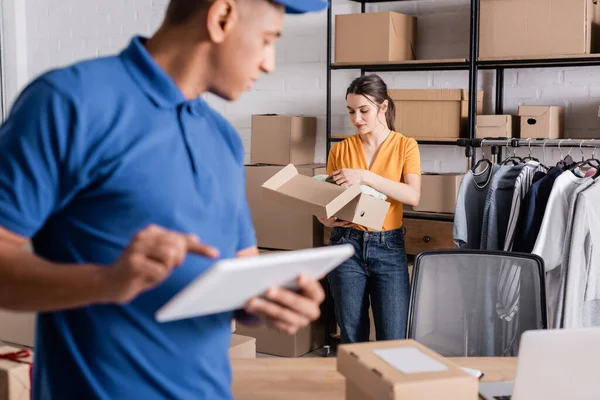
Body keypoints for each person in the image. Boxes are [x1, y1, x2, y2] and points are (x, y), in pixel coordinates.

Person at [0, 0, 328, 399]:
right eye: (266, 40)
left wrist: (273, 298)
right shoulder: (68, 101)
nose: (268, 64)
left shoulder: (222, 138)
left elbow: (242, 268)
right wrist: (105, 282)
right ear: (221, 17)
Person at [320, 74, 422, 344]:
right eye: (351, 111)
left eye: (364, 111)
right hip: (345, 244)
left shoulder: (405, 146)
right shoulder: (340, 150)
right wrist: (325, 219)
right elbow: (327, 201)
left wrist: (364, 176)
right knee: (352, 339)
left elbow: (413, 196)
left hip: (388, 247)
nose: (357, 119)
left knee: (394, 338)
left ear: (383, 107)